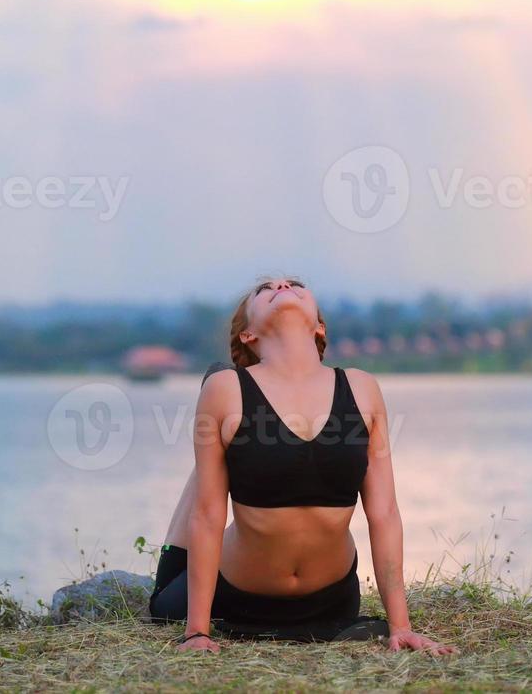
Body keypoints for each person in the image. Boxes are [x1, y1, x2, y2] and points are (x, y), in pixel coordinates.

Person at [150, 276, 457, 655]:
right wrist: (197, 631)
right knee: (162, 605)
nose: (282, 286)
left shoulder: (361, 388)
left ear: (319, 327)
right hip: (234, 595)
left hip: (332, 600)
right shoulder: (226, 391)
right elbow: (209, 514)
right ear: (247, 334)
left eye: (295, 284)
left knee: (243, 448)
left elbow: (385, 513)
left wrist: (402, 627)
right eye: (265, 289)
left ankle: (221, 457)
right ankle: (215, 461)